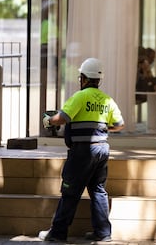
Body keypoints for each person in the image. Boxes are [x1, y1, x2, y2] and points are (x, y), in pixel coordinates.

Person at [38, 58, 125, 242]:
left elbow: (62, 118)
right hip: (102, 149)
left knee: (70, 191)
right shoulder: (107, 99)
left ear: (84, 78)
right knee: (98, 190)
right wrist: (101, 128)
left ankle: (58, 233)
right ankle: (103, 233)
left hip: (83, 152)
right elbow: (119, 124)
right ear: (98, 80)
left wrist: (47, 120)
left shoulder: (80, 96)